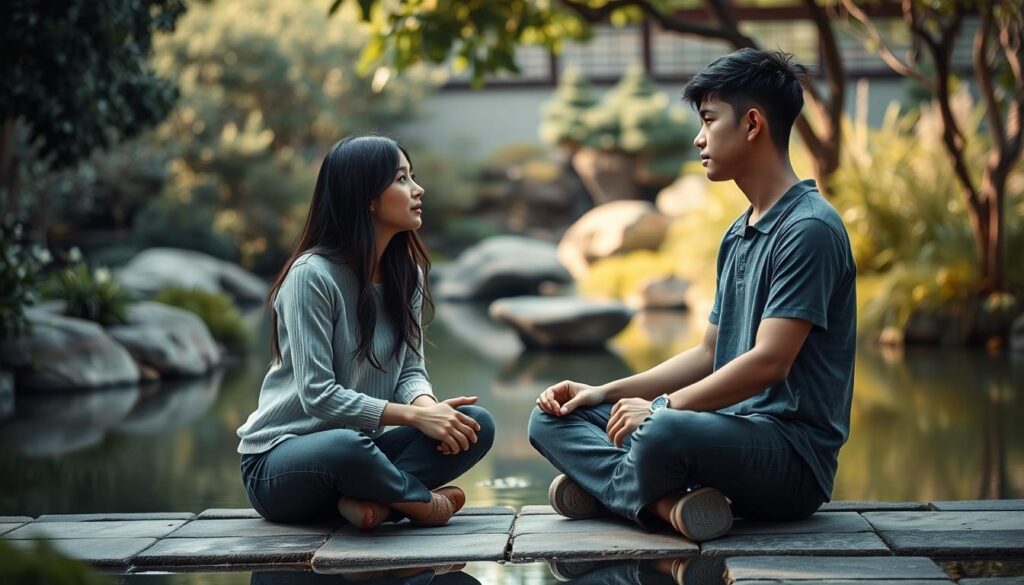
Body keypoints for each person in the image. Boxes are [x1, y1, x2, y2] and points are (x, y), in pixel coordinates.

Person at [528, 48, 857, 542]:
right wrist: (606, 392)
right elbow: (708, 353)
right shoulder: (738, 233)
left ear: (751, 124)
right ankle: (664, 505)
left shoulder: (809, 228)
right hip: (723, 436)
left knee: (662, 429)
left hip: (791, 461)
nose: (698, 138)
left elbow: (770, 362)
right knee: (551, 416)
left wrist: (660, 410)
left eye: (708, 120)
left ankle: (610, 491)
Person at [237, 135, 495, 529]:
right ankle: (422, 505)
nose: (417, 188)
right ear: (368, 198)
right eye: (402, 179)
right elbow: (318, 396)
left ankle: (370, 504)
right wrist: (413, 418)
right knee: (346, 447)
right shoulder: (311, 277)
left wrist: (433, 413)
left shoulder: (407, 273)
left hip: (362, 451)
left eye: (413, 177)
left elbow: (409, 371)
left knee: (476, 424)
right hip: (278, 463)